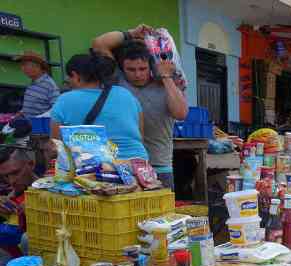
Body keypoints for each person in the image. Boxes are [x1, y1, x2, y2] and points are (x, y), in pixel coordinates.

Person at [92, 25, 189, 189]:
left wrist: (165, 76)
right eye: (131, 69)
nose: (137, 74)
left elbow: (181, 114)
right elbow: (99, 43)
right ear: (122, 68)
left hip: (159, 166)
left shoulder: (166, 84)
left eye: (142, 69)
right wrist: (130, 33)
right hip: (122, 166)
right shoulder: (117, 80)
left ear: (151, 66)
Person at [50, 53, 148, 161]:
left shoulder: (65, 100)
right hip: (138, 164)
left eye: (70, 77)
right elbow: (140, 136)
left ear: (76, 76)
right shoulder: (126, 94)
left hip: (95, 169)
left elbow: (56, 146)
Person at [0, 146, 37, 266]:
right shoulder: (14, 195)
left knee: (27, 239)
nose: (11, 181)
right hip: (14, 262)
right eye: (5, 176)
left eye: (16, 173)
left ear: (31, 164)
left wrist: (37, 210)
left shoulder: (49, 192)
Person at [16, 51, 59, 117]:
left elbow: (56, 108)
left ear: (37, 66)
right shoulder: (33, 83)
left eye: (24, 65)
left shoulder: (49, 85)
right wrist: (21, 112)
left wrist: (38, 119)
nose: (22, 68)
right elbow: (32, 104)